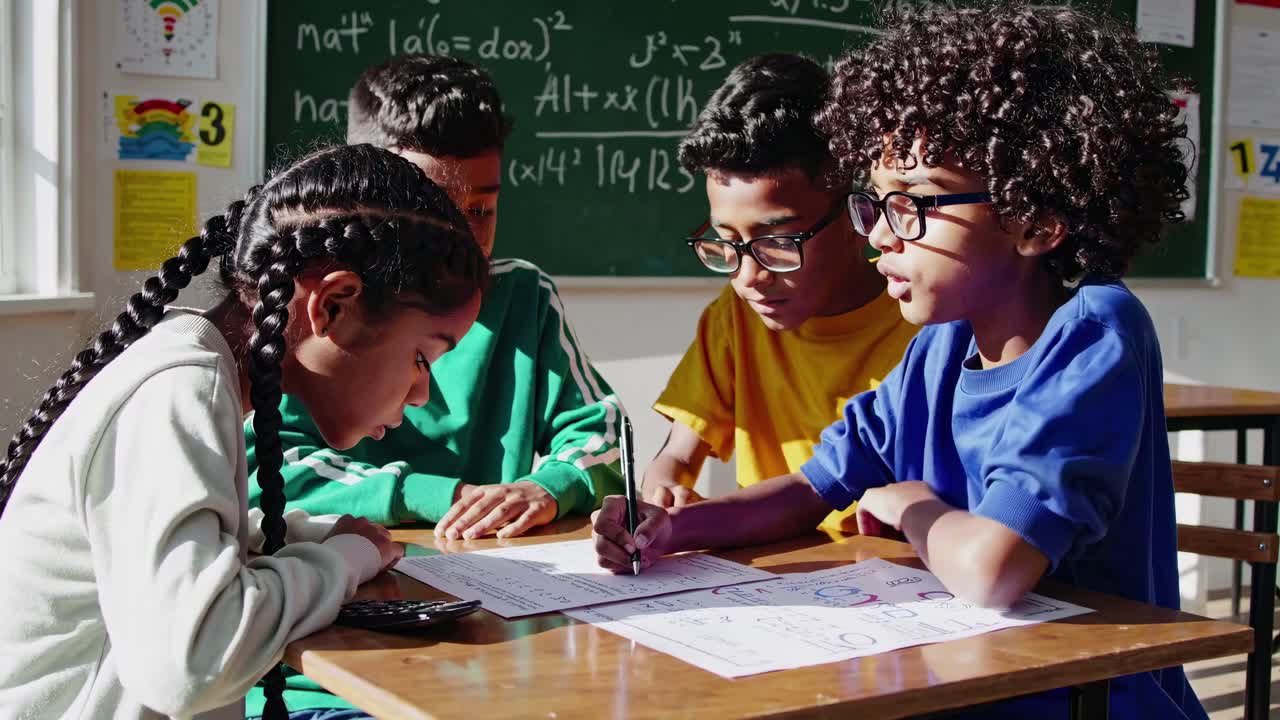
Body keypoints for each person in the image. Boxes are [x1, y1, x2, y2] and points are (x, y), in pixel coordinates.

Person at [594, 6, 1202, 717]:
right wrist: (674, 528)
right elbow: (813, 486)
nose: (880, 234)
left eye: (914, 204)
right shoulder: (939, 348)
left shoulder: (1093, 333)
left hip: (1090, 702)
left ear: (1033, 219)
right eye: (876, 203)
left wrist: (910, 502)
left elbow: (993, 566)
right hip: (955, 686)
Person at [0, 143, 488, 720]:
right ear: (333, 306)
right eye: (423, 358)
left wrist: (306, 535)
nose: (423, 393)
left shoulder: (195, 367)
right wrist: (346, 560)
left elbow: (173, 543)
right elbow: (192, 663)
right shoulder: (180, 387)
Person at [248, 54, 623, 545]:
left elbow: (605, 439)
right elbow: (267, 469)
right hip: (351, 572)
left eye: (482, 208)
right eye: (434, 209)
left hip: (484, 571)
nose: (462, 237)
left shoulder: (522, 298)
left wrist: (546, 488)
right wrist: (438, 495)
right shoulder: (306, 314)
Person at [646, 53, 915, 533]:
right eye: (726, 242)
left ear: (860, 216)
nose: (748, 276)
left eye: (777, 243)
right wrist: (665, 489)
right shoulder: (735, 318)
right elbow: (676, 457)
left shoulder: (924, 321)